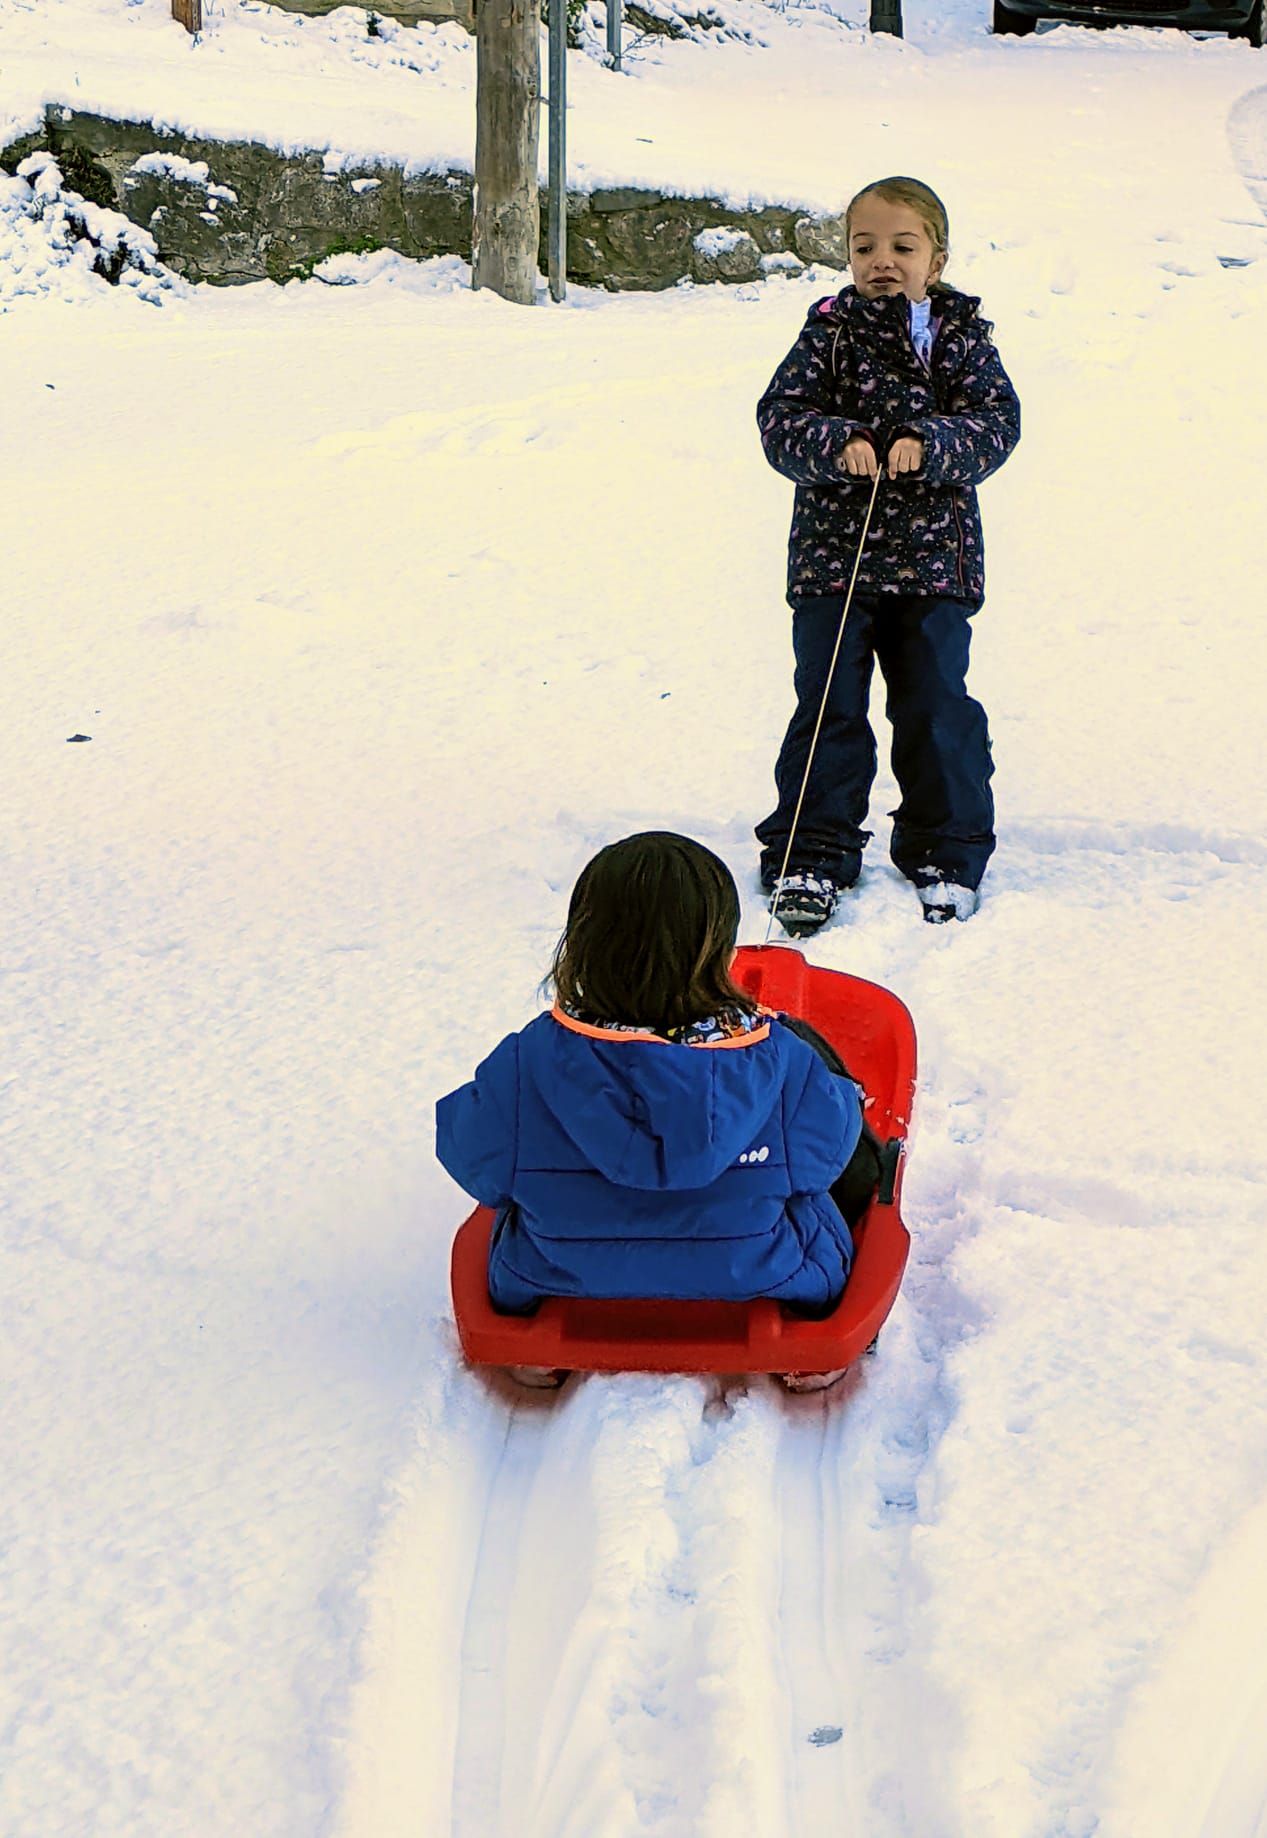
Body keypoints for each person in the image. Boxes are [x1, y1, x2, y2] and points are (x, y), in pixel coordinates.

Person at [435, 831, 877, 1391]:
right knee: (817, 1193)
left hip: (554, 1276)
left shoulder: (526, 1063)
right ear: (717, 949)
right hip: (770, 1274)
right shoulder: (781, 1060)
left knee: (517, 1195)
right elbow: (837, 1162)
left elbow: (471, 1158)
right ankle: (808, 1358)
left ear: (583, 941)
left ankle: (537, 1355)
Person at [754, 175, 1021, 933]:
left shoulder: (960, 338)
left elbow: (995, 424)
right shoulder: (826, 333)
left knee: (934, 705)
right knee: (828, 705)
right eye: (864, 246)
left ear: (934, 259)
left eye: (902, 246)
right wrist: (835, 442)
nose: (882, 261)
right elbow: (779, 420)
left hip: (933, 562)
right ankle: (810, 849)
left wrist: (928, 443)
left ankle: (945, 846)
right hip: (833, 561)